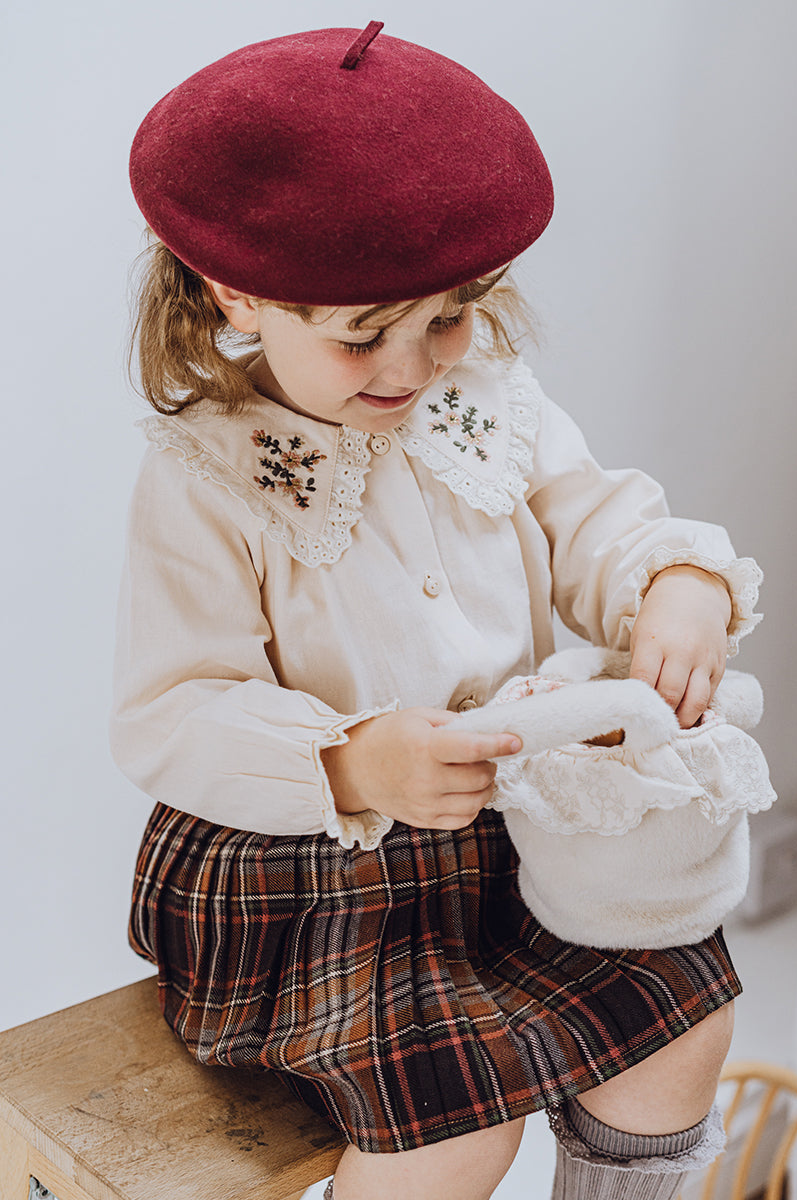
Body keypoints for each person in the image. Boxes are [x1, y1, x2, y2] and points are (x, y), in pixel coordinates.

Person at [113, 22, 763, 1200]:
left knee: (681, 1032)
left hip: (521, 834)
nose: (412, 369)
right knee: (458, 1129)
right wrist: (354, 760)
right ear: (236, 292)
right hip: (319, 864)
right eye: (362, 335)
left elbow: (593, 520)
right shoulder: (209, 475)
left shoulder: (489, 401)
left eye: (449, 317)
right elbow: (171, 711)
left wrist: (676, 581)